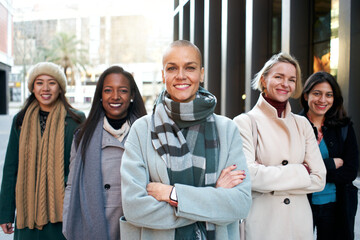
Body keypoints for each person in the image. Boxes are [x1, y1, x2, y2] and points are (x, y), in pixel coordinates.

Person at [120, 40, 252, 239]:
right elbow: (134, 208)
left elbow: (240, 204)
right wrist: (213, 196)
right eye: (172, 68)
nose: (181, 76)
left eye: (189, 67)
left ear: (201, 73)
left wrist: (173, 195)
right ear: (164, 74)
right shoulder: (142, 130)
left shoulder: (227, 129)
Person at [233, 52, 327, 240]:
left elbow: (319, 179)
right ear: (263, 79)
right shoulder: (244, 122)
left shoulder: (302, 124)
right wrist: (301, 172)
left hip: (299, 225)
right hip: (264, 225)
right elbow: (249, 176)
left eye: (291, 79)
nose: (286, 84)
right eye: (278, 77)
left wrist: (267, 176)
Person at [0, 62, 85, 240]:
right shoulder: (21, 119)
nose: (45, 88)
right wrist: (6, 213)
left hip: (61, 211)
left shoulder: (76, 119)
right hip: (28, 211)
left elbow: (82, 168)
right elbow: (10, 168)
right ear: (32, 87)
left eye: (52, 82)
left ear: (60, 88)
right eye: (39, 82)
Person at [62, 66, 147, 240]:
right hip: (96, 223)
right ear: (100, 95)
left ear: (132, 96)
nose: (115, 96)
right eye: (108, 90)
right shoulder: (82, 137)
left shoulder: (147, 133)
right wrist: (67, 225)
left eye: (123, 91)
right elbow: (72, 185)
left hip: (138, 223)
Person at [299, 71, 359, 240]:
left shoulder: (344, 127)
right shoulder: (294, 125)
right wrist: (331, 164)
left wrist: (313, 170)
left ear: (335, 98)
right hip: (301, 205)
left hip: (336, 206)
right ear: (306, 95)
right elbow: (290, 168)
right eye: (317, 93)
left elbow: (350, 171)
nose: (322, 100)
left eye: (329, 95)